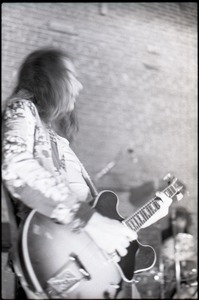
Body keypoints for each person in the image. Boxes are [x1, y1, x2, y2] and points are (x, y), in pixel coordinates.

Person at [2, 47, 173, 299]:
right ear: (48, 77)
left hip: (93, 266)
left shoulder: (59, 141)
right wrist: (92, 220)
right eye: (71, 75)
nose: (79, 86)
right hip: (57, 262)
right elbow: (15, 165)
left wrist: (142, 216)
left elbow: (96, 215)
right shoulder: (22, 108)